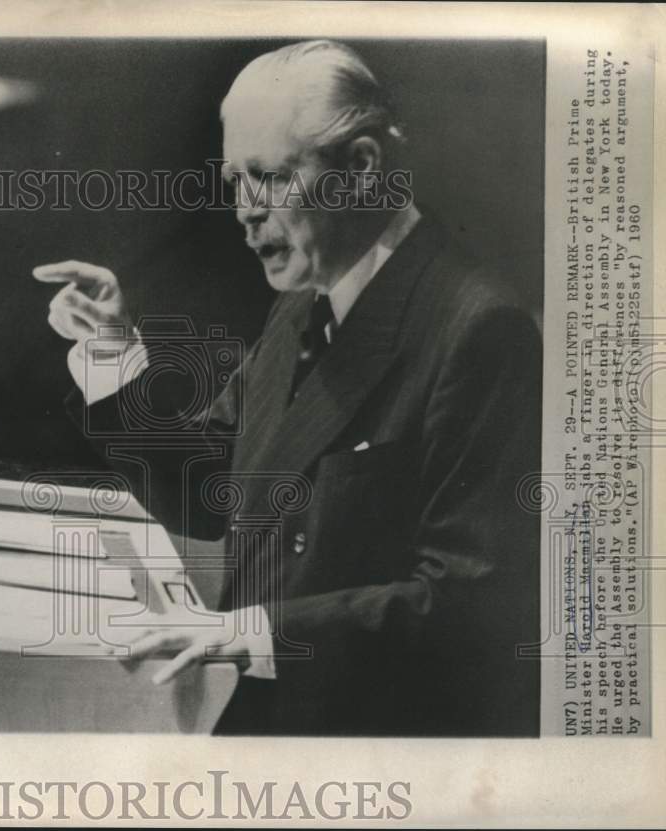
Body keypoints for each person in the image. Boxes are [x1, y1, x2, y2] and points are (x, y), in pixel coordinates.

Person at [34, 40, 541, 736]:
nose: (244, 210)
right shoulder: (305, 300)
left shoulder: (479, 329)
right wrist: (112, 355)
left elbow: (468, 604)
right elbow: (213, 487)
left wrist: (255, 633)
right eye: (234, 180)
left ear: (360, 168)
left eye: (268, 177)